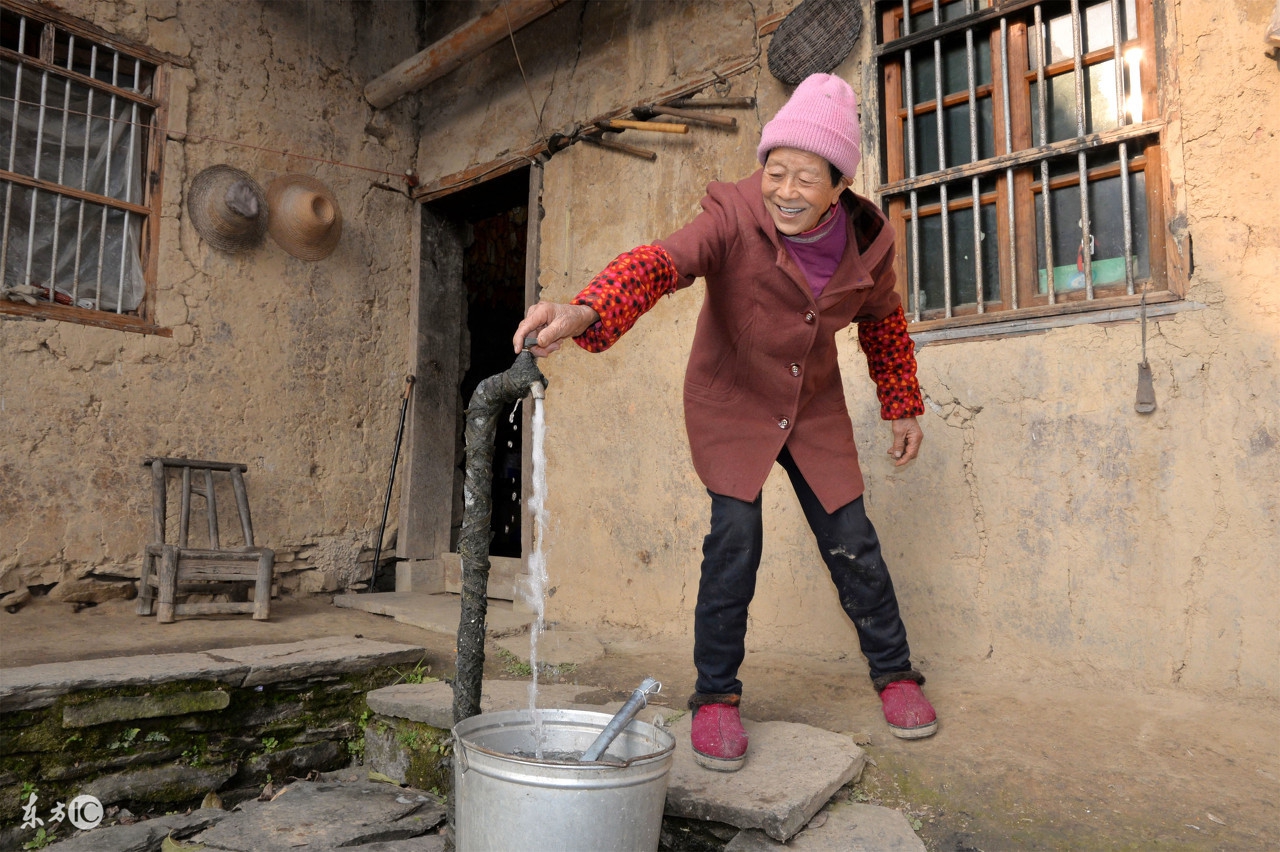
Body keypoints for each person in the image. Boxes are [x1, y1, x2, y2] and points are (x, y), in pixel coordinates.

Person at [513, 73, 937, 772]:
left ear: (840, 186)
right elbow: (661, 263)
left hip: (813, 403)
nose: (786, 192)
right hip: (732, 397)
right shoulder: (732, 215)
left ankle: (895, 676)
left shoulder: (867, 242)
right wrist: (584, 311)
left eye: (807, 178)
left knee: (852, 537)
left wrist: (902, 403)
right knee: (735, 537)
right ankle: (715, 697)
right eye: (776, 171)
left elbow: (884, 319)